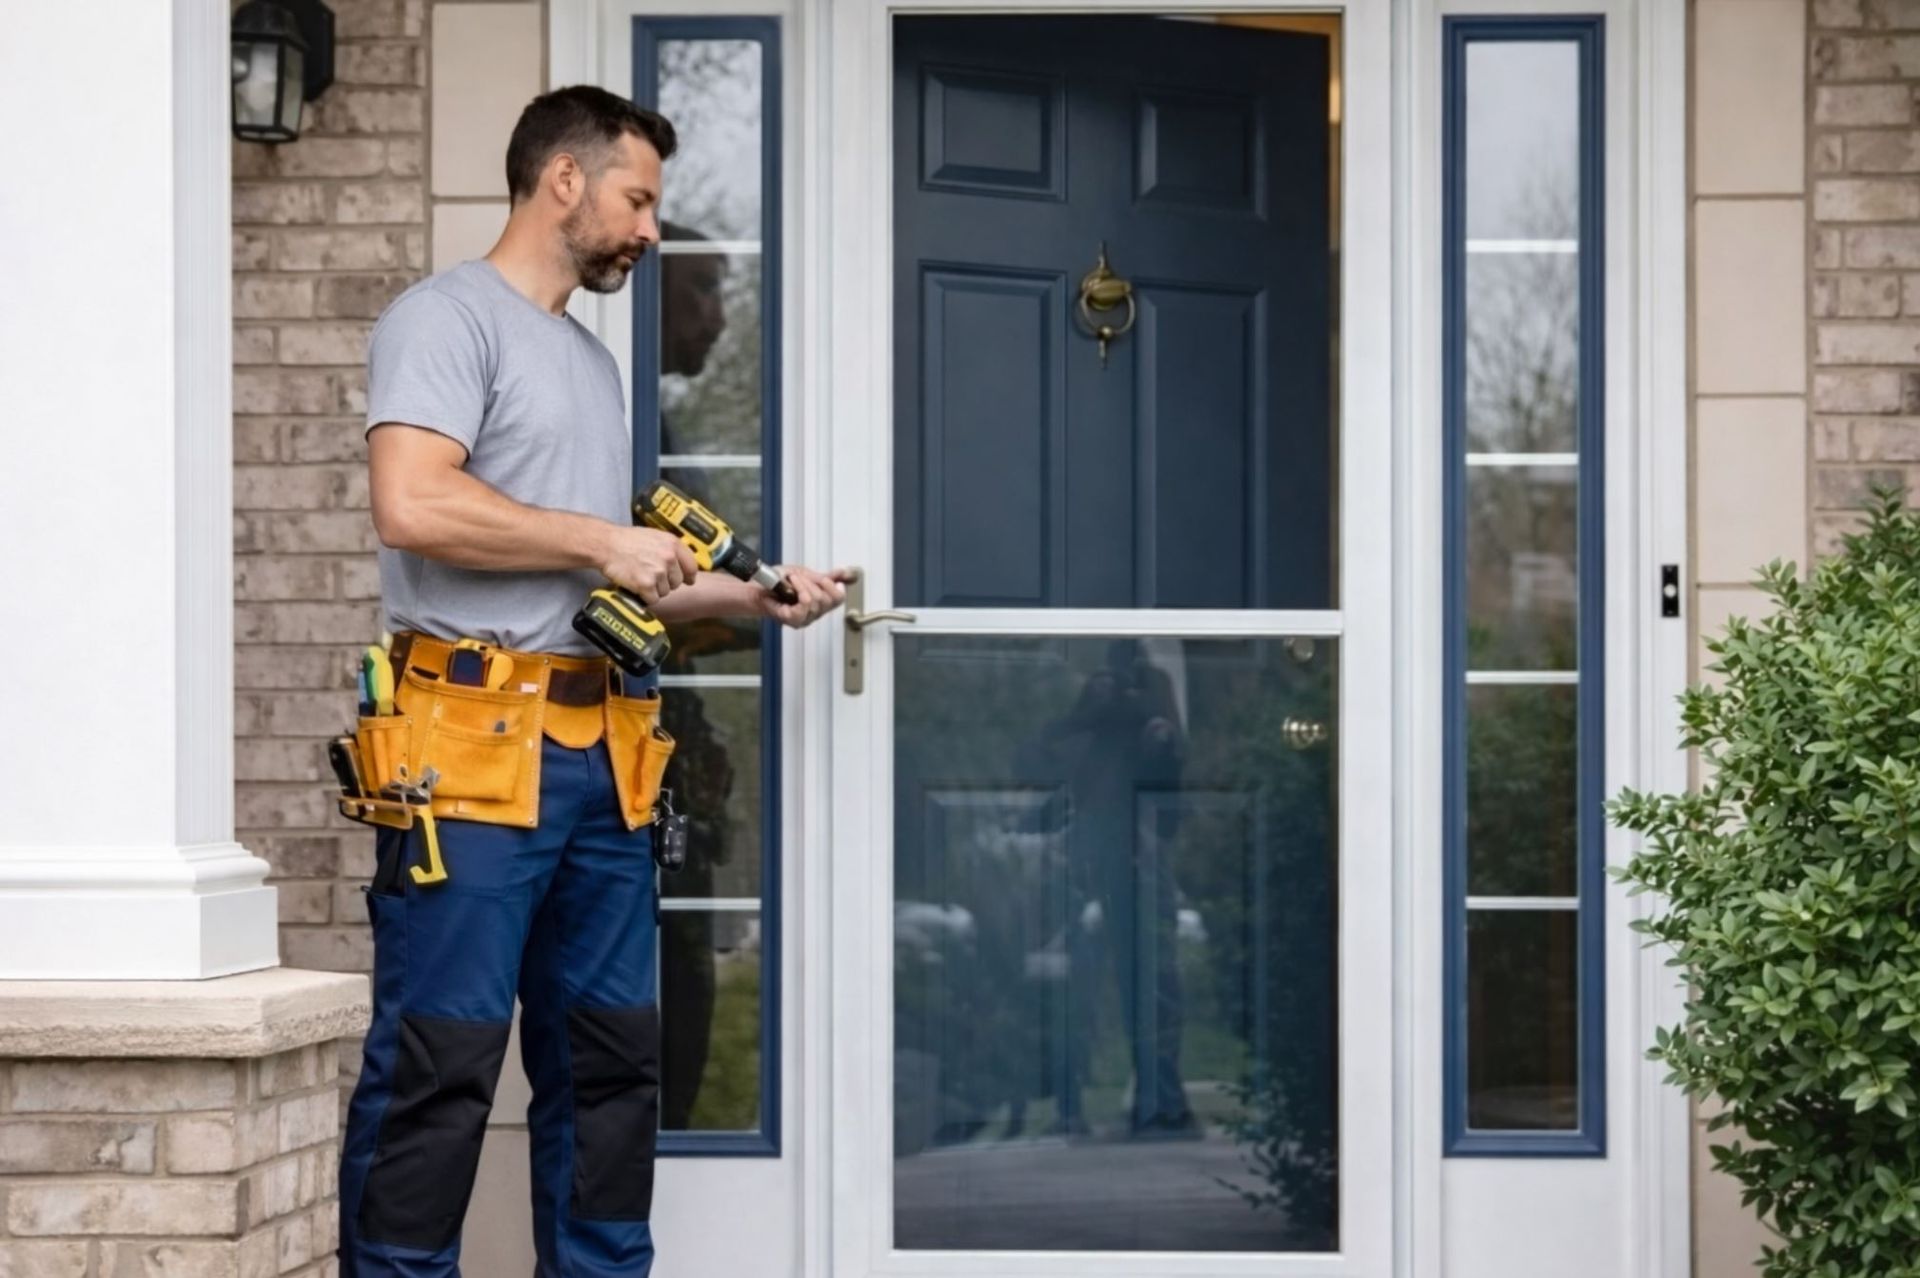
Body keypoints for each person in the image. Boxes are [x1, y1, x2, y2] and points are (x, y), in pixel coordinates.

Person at [337, 85, 849, 1278]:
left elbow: (604, 580)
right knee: (442, 1065)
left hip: (600, 762)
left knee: (613, 1066)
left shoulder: (588, 361)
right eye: (638, 197)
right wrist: (599, 538)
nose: (650, 228)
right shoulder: (444, 319)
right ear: (563, 181)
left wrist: (755, 595)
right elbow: (413, 503)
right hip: (464, 758)